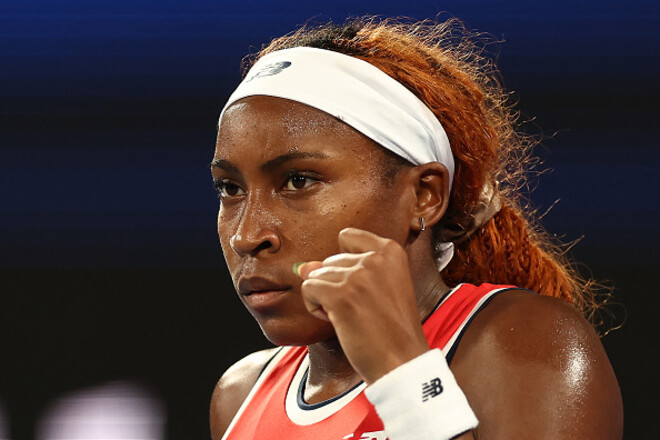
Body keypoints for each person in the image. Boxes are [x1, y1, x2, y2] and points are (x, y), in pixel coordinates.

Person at [208, 17, 623, 440]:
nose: (246, 236)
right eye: (230, 189)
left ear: (424, 195)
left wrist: (399, 368)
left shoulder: (528, 344)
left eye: (299, 181)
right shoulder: (238, 395)